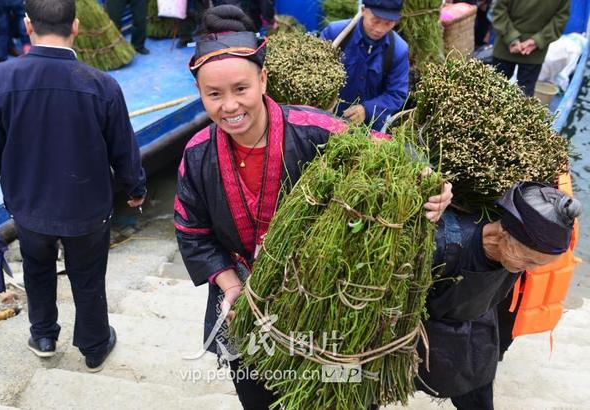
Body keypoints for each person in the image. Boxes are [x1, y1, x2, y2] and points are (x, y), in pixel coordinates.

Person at [174, 5, 452, 409]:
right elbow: (192, 232)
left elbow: (392, 153)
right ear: (200, 93)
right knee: (258, 394)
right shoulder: (197, 155)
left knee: (333, 393)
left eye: (241, 89)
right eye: (213, 94)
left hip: (319, 296)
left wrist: (434, 182)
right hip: (243, 300)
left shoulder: (315, 129)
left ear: (264, 79)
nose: (230, 106)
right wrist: (231, 287)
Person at [0, 0, 146, 372]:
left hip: (28, 207)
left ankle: (43, 336)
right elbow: (124, 148)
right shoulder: (102, 85)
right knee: (88, 275)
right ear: (75, 27)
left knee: (37, 267)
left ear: (28, 25)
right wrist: (134, 188)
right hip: (88, 209)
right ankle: (94, 346)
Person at [416, 182, 581, 409]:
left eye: (536, 264)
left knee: (479, 398)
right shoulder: (443, 245)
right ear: (503, 231)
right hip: (420, 334)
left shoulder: (514, 255)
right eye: (528, 260)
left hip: (475, 330)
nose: (530, 269)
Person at [320, 0, 409, 132]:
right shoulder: (335, 34)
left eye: (388, 23)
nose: (380, 29)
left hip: (369, 129)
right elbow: (316, 72)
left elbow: (397, 94)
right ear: (363, 11)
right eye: (375, 20)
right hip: (328, 120)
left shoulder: (398, 49)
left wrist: (367, 110)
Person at [491, 0, 570, 97]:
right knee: (524, 95)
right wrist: (537, 40)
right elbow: (560, 19)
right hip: (533, 52)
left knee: (493, 91)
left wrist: (511, 37)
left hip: (505, 46)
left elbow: (498, 10)